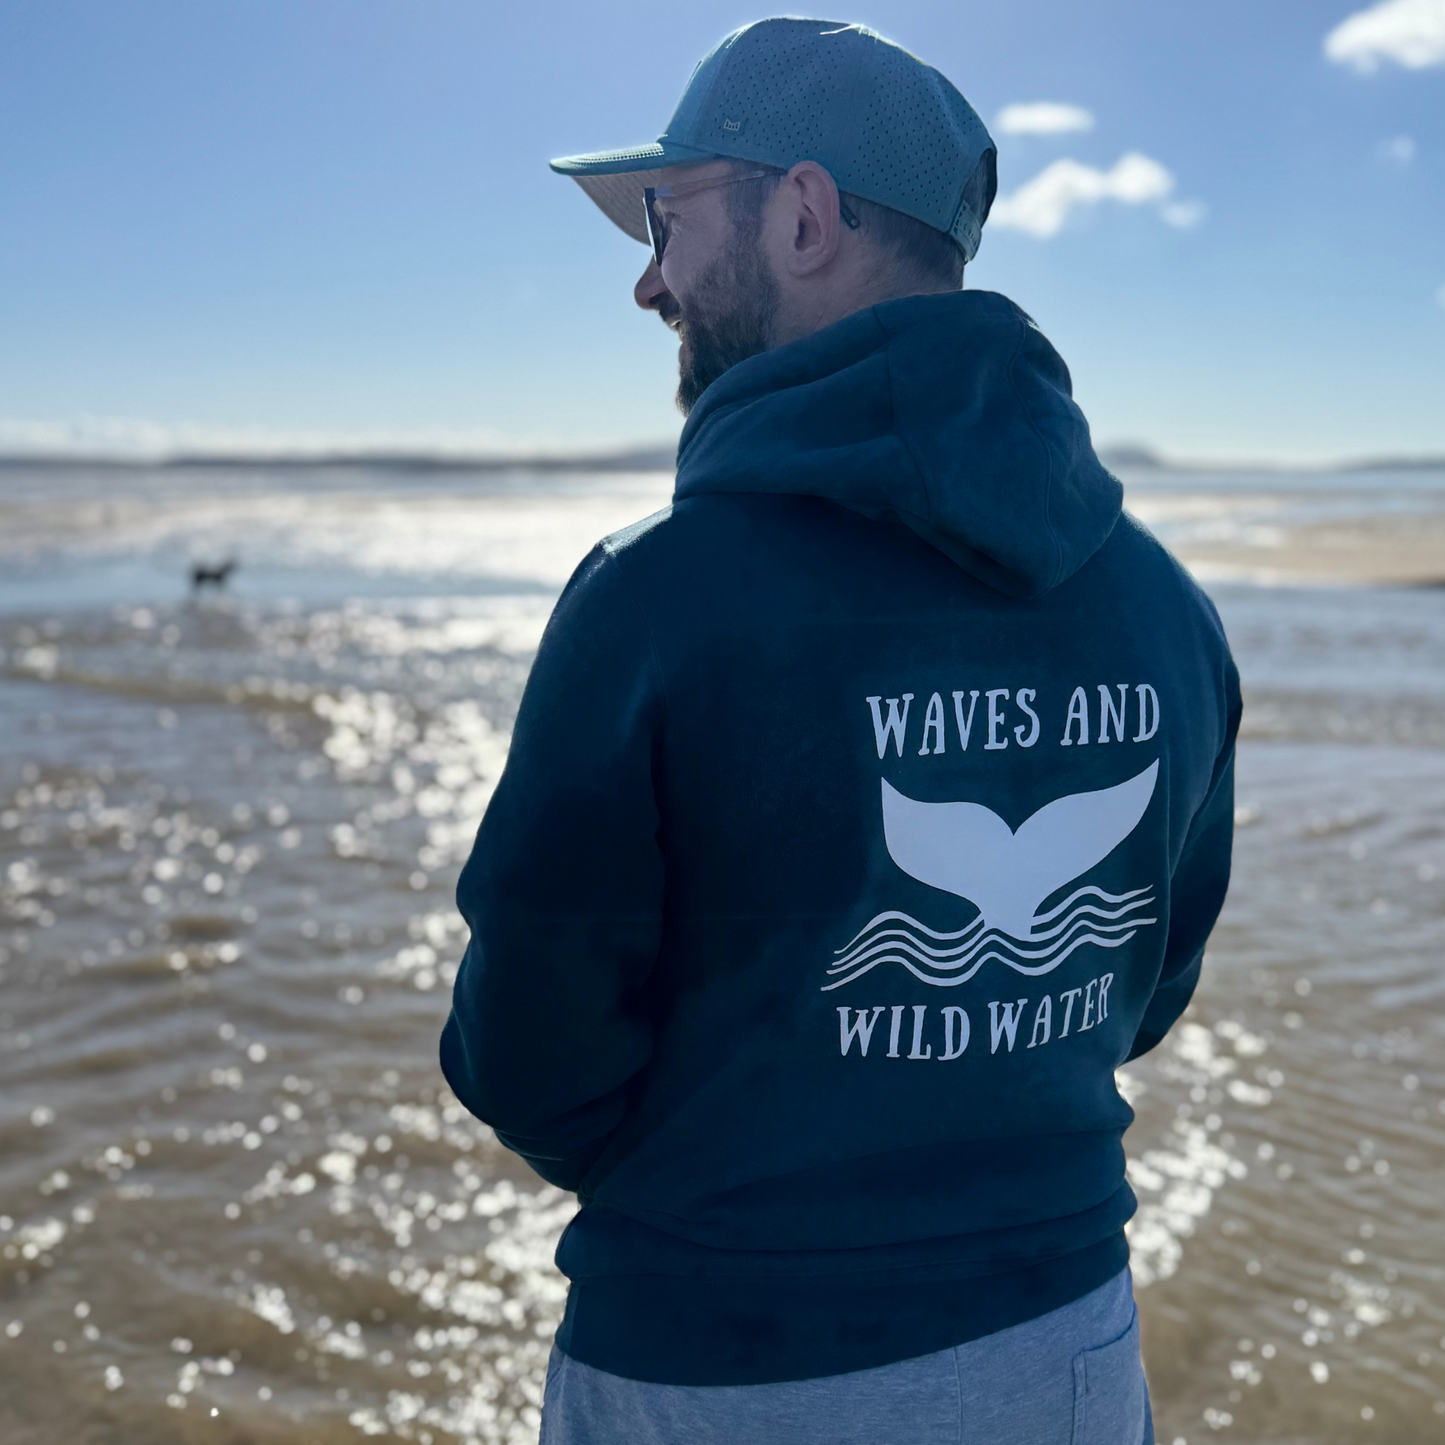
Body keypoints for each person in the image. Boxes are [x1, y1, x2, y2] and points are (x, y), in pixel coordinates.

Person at [441, 18, 1239, 1444]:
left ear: (801, 214)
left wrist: (730, 1190)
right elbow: (1142, 991)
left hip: (717, 1356)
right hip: (1066, 1346)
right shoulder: (1165, 607)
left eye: (667, 216)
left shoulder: (656, 600)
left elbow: (530, 1057)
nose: (647, 277)